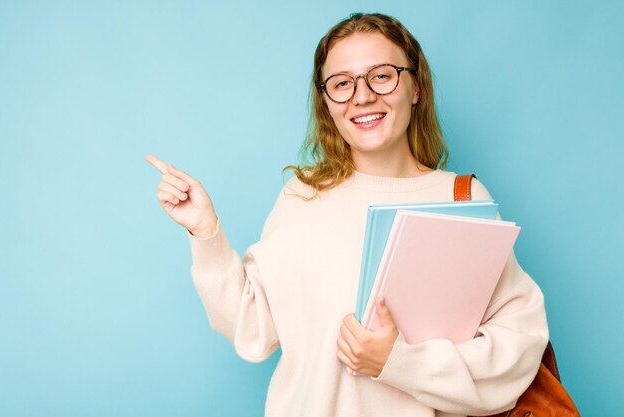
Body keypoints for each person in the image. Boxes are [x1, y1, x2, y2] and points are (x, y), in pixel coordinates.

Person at [146, 13, 549, 417]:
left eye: (382, 76)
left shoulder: (461, 199)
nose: (362, 97)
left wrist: (398, 362)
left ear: (416, 87)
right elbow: (252, 328)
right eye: (342, 84)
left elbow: (518, 344)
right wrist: (205, 233)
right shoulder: (302, 198)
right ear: (327, 102)